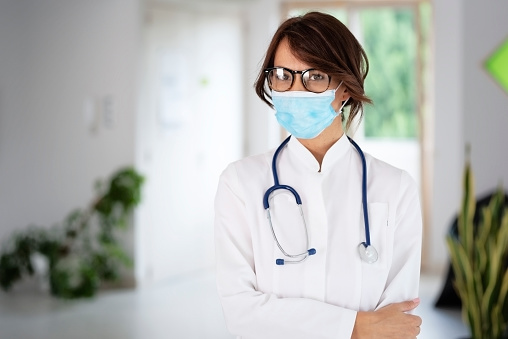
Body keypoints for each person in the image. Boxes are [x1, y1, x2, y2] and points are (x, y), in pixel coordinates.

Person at [214, 11, 422, 339]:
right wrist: (357, 326)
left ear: (345, 88)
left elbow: (395, 325)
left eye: (314, 76)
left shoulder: (396, 188)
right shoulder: (240, 184)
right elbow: (242, 314)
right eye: (283, 75)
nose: (295, 89)